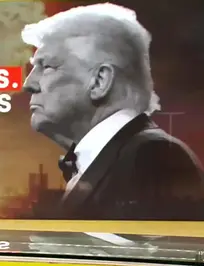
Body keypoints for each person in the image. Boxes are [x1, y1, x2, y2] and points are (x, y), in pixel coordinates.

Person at [22, 3, 204, 220]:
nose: (28, 83)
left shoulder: (154, 157)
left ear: (100, 81)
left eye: (47, 67)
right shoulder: (126, 157)